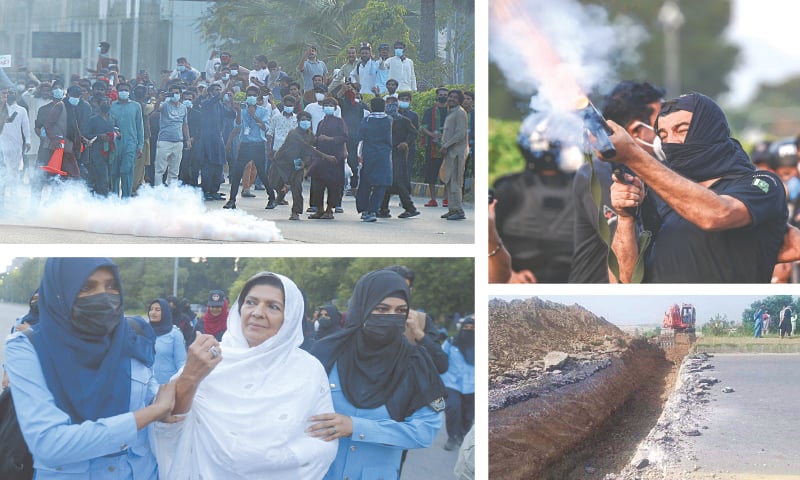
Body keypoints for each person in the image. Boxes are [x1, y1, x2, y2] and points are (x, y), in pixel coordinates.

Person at [150, 272, 338, 478]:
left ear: (290, 317)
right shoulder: (209, 357)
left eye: (273, 306)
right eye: (251, 302)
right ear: (239, 308)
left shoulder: (308, 370)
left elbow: (322, 443)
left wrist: (265, 458)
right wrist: (190, 376)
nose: (257, 312)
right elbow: (168, 423)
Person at [4, 258, 176, 479]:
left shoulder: (132, 336)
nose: (103, 296)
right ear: (60, 293)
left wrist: (191, 375)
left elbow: (156, 401)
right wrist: (150, 414)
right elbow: (48, 444)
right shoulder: (28, 347)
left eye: (112, 286)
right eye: (87, 287)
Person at [608, 92, 788, 283]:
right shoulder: (656, 194)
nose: (671, 142)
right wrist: (625, 217)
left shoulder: (761, 183)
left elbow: (717, 214)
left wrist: (633, 155)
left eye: (681, 130)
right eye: (663, 135)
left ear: (708, 129)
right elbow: (623, 281)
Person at [309, 269, 446, 480]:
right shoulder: (327, 352)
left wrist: (358, 427)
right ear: (362, 307)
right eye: (381, 309)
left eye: (400, 311)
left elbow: (425, 430)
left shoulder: (416, 362)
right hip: (318, 472)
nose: (391, 318)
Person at [570, 81, 665, 283]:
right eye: (661, 121)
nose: (666, 130)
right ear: (636, 131)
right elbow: (625, 273)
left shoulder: (657, 171)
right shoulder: (601, 174)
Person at [224, 85, 275, 209]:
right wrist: (238, 112)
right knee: (237, 172)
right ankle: (232, 200)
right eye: (249, 95)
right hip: (246, 145)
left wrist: (254, 116)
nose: (251, 97)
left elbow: (265, 127)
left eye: (253, 95)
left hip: (258, 145)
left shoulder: (263, 111)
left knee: (262, 173)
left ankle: (272, 198)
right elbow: (238, 124)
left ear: (257, 96)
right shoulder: (243, 109)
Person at [378, 96, 420, 219]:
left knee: (397, 180)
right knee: (385, 180)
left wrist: (406, 142)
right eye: (388, 103)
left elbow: (414, 133)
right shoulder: (382, 120)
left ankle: (410, 207)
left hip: (398, 153)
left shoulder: (404, 120)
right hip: (385, 153)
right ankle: (383, 208)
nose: (390, 106)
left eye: (393, 103)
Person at [309, 96, 348, 219]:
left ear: (335, 108)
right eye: (326, 105)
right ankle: (319, 209)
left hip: (335, 158)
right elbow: (316, 139)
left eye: (331, 105)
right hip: (321, 157)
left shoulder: (339, 121)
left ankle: (329, 210)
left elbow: (344, 137)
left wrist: (330, 139)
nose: (328, 107)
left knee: (333, 185)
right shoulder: (321, 122)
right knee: (317, 184)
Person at [440, 316, 474, 451]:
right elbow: (441, 359)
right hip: (452, 383)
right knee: (453, 408)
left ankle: (462, 434)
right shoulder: (451, 342)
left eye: (472, 328)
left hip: (472, 385)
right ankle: (452, 437)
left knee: (468, 414)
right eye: (466, 327)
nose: (469, 330)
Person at [357, 97, 393, 222]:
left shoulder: (366, 120)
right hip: (383, 155)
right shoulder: (388, 120)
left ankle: (364, 209)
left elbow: (360, 136)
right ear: (384, 107)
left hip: (369, 154)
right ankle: (373, 209)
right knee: (381, 183)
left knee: (366, 182)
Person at [109, 82, 144, 198]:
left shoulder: (136, 106)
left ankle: (126, 199)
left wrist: (140, 146)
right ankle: (114, 199)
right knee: (114, 172)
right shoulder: (112, 105)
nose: (123, 92)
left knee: (127, 171)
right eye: (121, 90)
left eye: (126, 90)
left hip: (130, 143)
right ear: (117, 92)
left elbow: (140, 127)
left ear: (129, 92)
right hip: (115, 143)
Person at [440, 89, 470, 220]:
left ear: (460, 101)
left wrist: (446, 145)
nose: (451, 99)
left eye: (455, 97)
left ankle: (458, 210)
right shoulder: (451, 112)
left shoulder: (460, 113)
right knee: (449, 180)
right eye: (450, 96)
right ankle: (452, 209)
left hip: (457, 152)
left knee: (456, 182)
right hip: (450, 152)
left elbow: (461, 133)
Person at [421, 87, 449, 207]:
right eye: (441, 94)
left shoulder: (452, 111)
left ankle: (446, 198)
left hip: (448, 146)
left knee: (447, 173)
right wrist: (431, 134)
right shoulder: (430, 111)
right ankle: (433, 199)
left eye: (445, 94)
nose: (443, 96)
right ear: (437, 96)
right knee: (431, 173)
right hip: (432, 147)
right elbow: (423, 127)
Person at [148, 298, 187, 384]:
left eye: (157, 310)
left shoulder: (175, 334)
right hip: (147, 386)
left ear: (165, 312)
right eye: (151, 309)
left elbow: (181, 363)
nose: (153, 312)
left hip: (167, 386)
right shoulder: (144, 331)